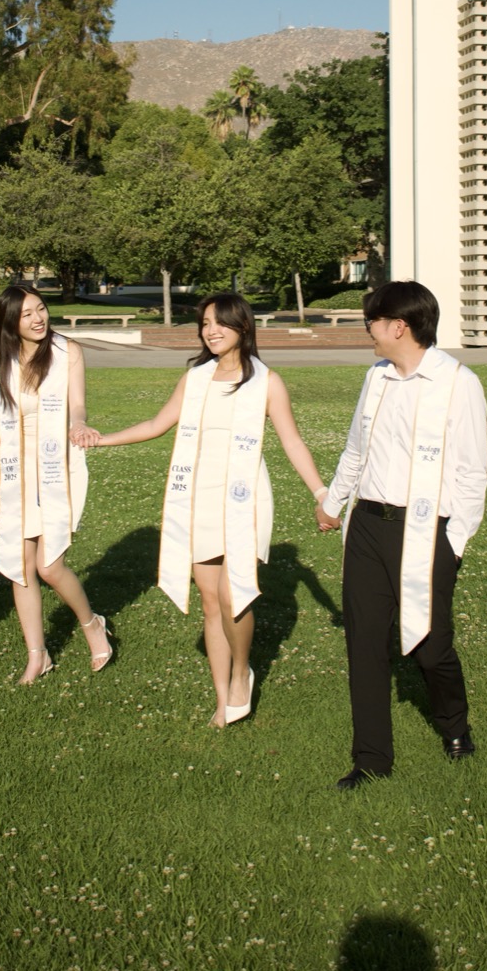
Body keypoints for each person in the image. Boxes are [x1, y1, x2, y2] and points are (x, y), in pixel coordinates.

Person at [88, 292, 329, 727]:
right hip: (196, 497)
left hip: (244, 498)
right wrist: (100, 439)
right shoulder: (195, 378)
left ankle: (242, 673)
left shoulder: (267, 382)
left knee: (234, 593)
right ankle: (223, 696)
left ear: (243, 327)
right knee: (210, 601)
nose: (211, 331)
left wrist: (320, 492)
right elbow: (156, 425)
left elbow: (292, 441)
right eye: (204, 323)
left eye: (220, 323)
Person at [315, 280, 487, 789]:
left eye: (371, 320)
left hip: (426, 531)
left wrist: (454, 544)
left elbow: (472, 475)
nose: (367, 329)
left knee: (431, 648)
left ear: (399, 326)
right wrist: (334, 503)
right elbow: (356, 448)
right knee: (365, 645)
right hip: (368, 525)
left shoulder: (459, 383)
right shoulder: (377, 377)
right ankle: (371, 758)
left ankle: (454, 725)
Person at [0, 284, 112, 684]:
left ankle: (92, 624)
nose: (38, 318)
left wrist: (78, 424)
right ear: (11, 322)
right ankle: (37, 655)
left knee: (49, 565)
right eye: (27, 314)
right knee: (20, 567)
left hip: (58, 465)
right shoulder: (2, 364)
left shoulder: (67, 352)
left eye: (40, 309)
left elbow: (77, 404)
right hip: (18, 471)